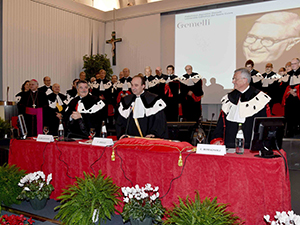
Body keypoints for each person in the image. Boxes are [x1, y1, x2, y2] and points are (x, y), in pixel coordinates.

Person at [211, 68, 270, 148]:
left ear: (245, 80)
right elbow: (222, 122)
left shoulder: (259, 99)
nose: (233, 81)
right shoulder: (229, 98)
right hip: (229, 143)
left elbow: (264, 126)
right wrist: (217, 138)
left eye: (235, 79)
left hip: (249, 145)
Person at [116, 75, 168, 139]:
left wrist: (153, 134)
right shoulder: (126, 100)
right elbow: (120, 122)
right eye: (132, 85)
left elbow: (159, 122)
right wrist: (122, 133)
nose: (133, 88)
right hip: (130, 140)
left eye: (136, 85)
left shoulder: (153, 99)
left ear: (143, 86)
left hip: (148, 140)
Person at [282, 58, 300, 137]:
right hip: (290, 96)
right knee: (289, 114)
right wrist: (290, 91)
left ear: (299, 64)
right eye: (292, 64)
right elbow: (286, 85)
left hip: (298, 97)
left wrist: (296, 91)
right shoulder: (289, 74)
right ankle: (289, 131)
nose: (293, 66)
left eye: (294, 64)